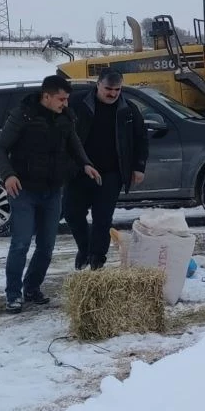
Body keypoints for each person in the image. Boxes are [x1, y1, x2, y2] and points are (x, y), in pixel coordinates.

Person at [0, 75, 102, 313]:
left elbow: (74, 144)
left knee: (46, 246)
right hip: (23, 189)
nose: (65, 103)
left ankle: (31, 288)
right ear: (46, 96)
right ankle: (13, 294)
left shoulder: (65, 117)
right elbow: (0, 149)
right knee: (21, 243)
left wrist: (86, 164)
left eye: (67, 99)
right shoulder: (23, 115)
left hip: (53, 190)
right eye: (61, 99)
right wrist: (8, 175)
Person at [64, 68, 148, 271]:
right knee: (72, 213)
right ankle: (85, 248)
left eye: (117, 90)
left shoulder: (128, 109)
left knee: (102, 218)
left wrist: (138, 167)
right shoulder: (77, 103)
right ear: (98, 84)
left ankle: (97, 258)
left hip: (111, 173)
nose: (112, 94)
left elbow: (141, 138)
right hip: (79, 171)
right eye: (108, 89)